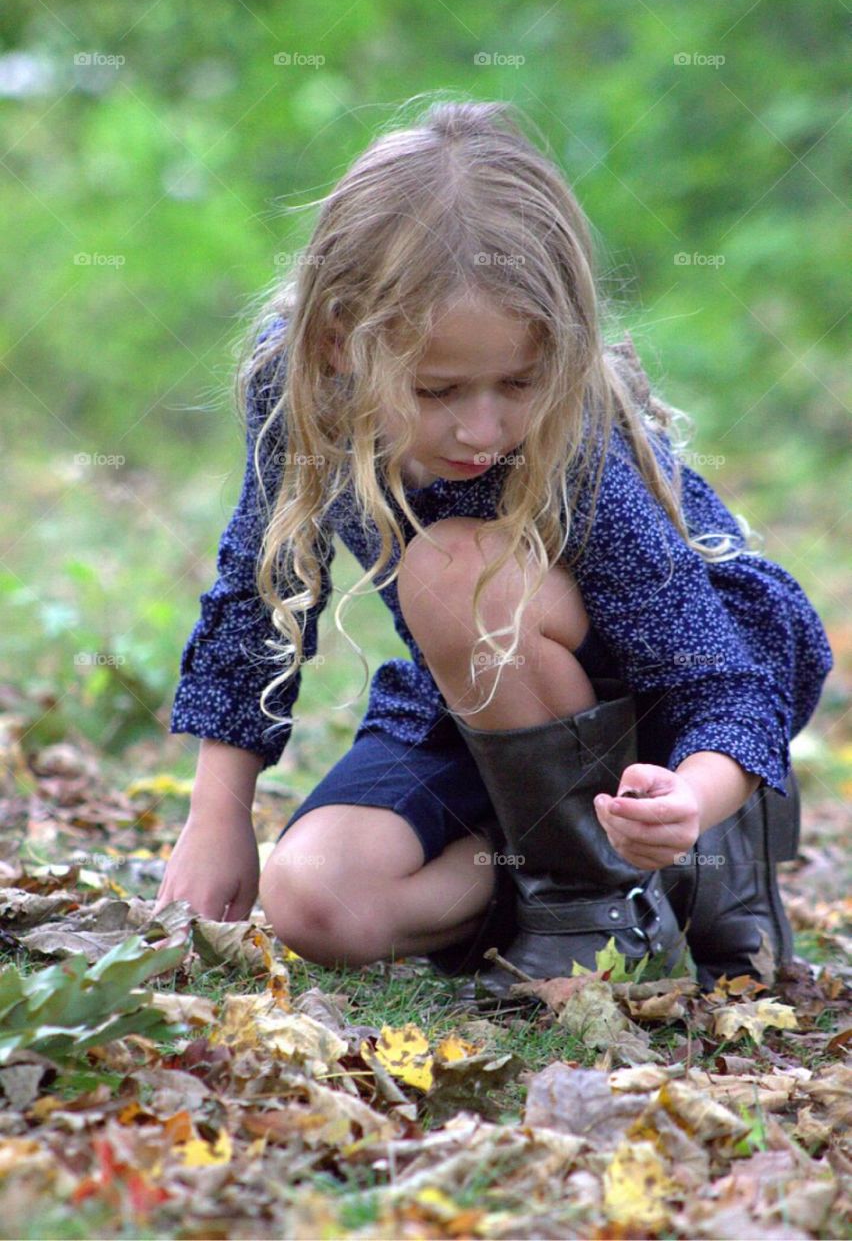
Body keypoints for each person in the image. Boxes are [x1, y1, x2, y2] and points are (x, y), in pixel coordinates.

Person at [155, 97, 833, 1003]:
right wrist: (216, 814)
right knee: (311, 900)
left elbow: (722, 679)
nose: (484, 428)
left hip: (654, 732)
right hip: (480, 711)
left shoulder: (575, 437)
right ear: (338, 341)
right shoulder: (295, 384)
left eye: (517, 381)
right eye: (439, 390)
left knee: (453, 570)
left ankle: (619, 906)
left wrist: (689, 804)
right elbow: (258, 589)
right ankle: (618, 894)